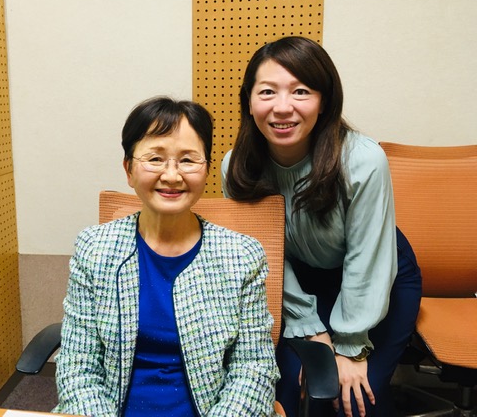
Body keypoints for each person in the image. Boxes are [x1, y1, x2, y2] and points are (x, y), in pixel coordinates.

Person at [221, 36, 422, 417]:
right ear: (248, 100)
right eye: (267, 92)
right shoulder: (238, 167)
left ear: (324, 100)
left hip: (378, 275)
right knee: (290, 393)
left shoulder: (362, 159)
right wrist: (309, 328)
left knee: (354, 401)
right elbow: (265, 256)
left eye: (301, 91)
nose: (282, 107)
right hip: (297, 282)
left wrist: (350, 346)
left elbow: (367, 260)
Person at [54, 96, 280, 417]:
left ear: (206, 169)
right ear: (129, 169)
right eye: (155, 159)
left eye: (187, 160)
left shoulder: (242, 255)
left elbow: (253, 368)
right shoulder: (94, 248)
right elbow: (78, 366)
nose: (172, 175)